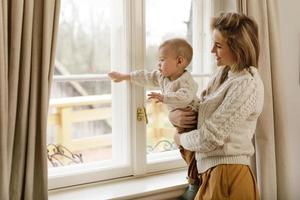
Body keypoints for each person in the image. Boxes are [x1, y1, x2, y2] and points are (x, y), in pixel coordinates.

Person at [170, 12, 264, 200]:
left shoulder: (247, 84)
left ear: (239, 48)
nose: (212, 50)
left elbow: (208, 139)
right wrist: (173, 115)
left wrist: (179, 138)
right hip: (212, 174)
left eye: (219, 46)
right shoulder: (223, 75)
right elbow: (200, 110)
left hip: (229, 177)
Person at [108, 38, 201, 199]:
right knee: (185, 152)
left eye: (162, 60)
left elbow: (184, 98)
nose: (158, 65)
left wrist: (164, 97)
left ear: (180, 61)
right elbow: (146, 76)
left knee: (194, 156)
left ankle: (194, 183)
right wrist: (125, 76)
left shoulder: (187, 81)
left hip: (194, 123)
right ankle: (194, 181)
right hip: (181, 124)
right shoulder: (162, 77)